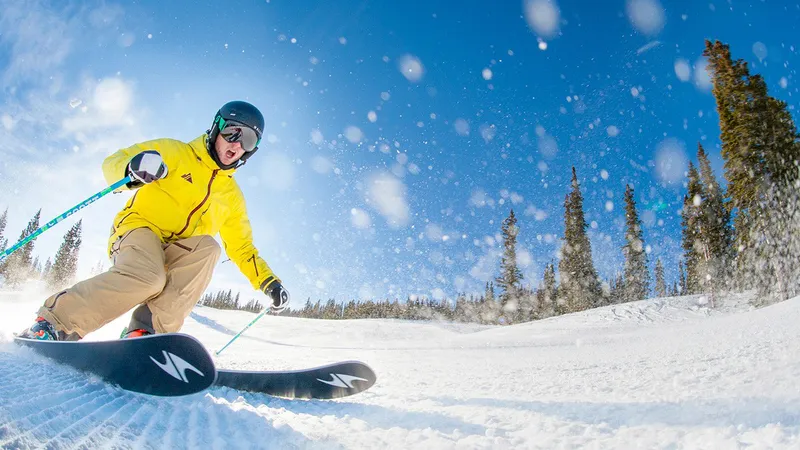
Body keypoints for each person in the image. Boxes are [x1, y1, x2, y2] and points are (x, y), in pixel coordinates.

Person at [21, 100, 289, 341]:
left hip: (177, 252)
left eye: (249, 140)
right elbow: (113, 163)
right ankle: (55, 322)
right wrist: (133, 168)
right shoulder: (174, 152)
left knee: (209, 248)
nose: (237, 145)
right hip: (139, 230)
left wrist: (268, 282)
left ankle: (146, 333)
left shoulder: (232, 197)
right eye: (232, 132)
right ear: (216, 128)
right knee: (149, 278)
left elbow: (242, 248)